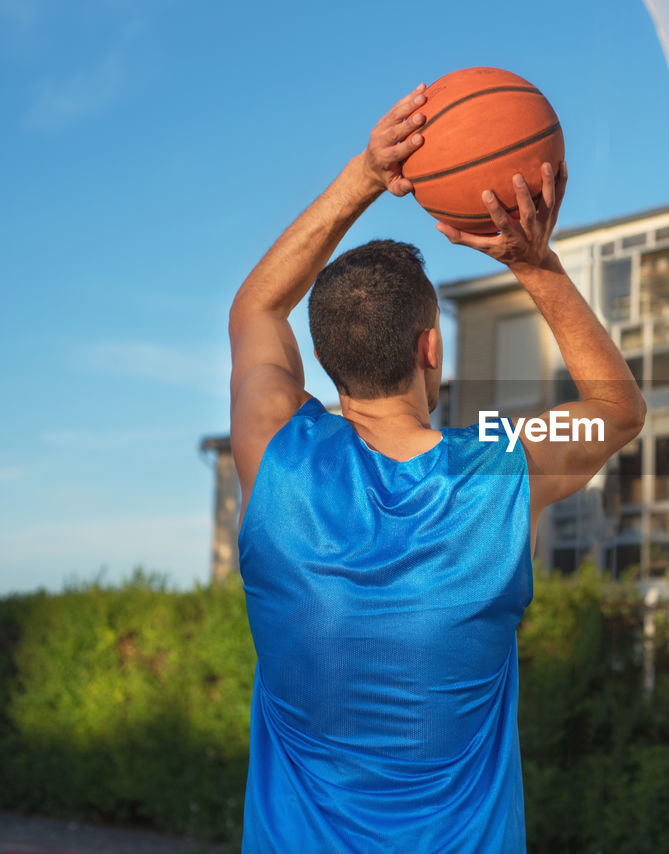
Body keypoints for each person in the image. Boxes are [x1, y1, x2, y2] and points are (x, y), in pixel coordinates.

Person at [227, 83, 646, 853]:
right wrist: (536, 263)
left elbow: (256, 308)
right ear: (432, 348)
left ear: (323, 360)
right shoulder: (494, 478)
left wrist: (365, 173)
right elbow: (617, 411)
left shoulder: (275, 454)